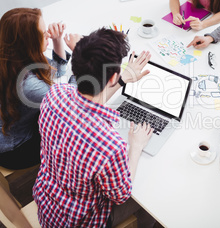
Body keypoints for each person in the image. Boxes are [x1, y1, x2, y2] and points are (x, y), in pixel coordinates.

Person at [32, 28, 157, 227]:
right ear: (112, 77)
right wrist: (136, 146)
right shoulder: (111, 146)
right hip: (81, 222)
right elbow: (121, 195)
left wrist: (122, 78)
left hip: (47, 208)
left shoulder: (55, 94)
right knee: (152, 202)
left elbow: (87, 104)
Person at [0, 8, 71, 170]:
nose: (48, 34)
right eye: (42, 33)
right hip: (9, 151)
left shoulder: (9, 56)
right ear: (28, 42)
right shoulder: (29, 85)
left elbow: (57, 70)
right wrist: (83, 56)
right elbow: (72, 103)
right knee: (72, 131)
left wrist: (57, 39)